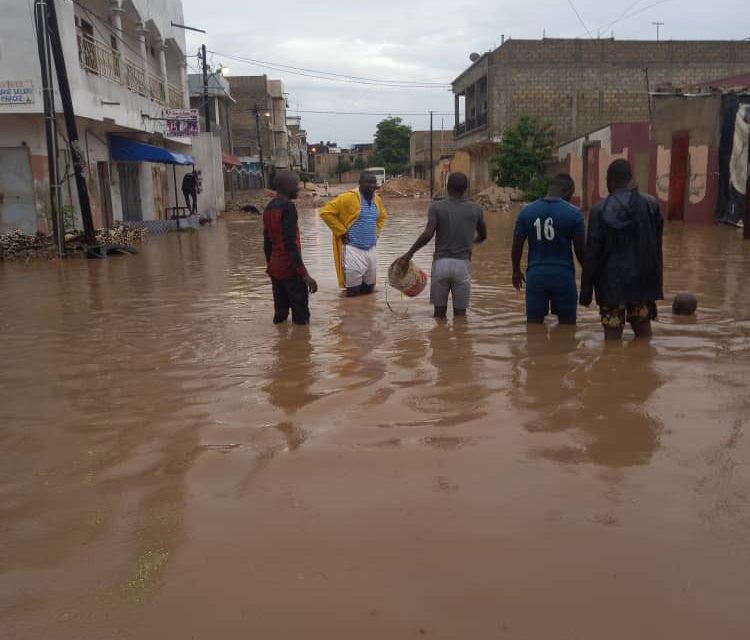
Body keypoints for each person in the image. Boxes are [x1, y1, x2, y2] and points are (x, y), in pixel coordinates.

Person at [580, 159, 664, 340]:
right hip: (642, 284)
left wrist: (585, 292)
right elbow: (656, 249)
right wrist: (655, 288)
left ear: (609, 181)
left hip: (610, 287)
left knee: (611, 340)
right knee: (643, 337)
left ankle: (611, 368)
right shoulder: (651, 205)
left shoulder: (598, 210)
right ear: (631, 179)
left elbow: (591, 255)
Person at [401, 172, 486, 318]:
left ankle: (439, 338)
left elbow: (428, 234)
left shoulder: (436, 207)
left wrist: (410, 253)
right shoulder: (476, 209)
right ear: (466, 188)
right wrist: (470, 242)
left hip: (441, 264)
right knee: (461, 316)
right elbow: (483, 235)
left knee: (439, 315)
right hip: (463, 265)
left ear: (447, 187)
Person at [512, 173, 585, 324]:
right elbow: (580, 252)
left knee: (533, 328)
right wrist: (589, 275)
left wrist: (516, 270)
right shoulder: (575, 214)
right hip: (563, 275)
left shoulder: (526, 211)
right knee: (567, 327)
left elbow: (517, 245)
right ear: (567, 191)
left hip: (535, 276)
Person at [263, 170, 318, 325]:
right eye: (296, 184)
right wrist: (305, 275)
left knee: (280, 315)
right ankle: (299, 347)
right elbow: (290, 244)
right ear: (286, 186)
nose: (298, 188)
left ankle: (281, 346)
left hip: (276, 270)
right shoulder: (288, 208)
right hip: (290, 270)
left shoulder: (269, 208)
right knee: (301, 319)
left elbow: (267, 243)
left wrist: (271, 266)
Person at [320, 171, 388, 297]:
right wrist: (341, 231)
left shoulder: (376, 199)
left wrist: (376, 233)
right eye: (368, 183)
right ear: (360, 183)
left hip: (371, 249)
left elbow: (382, 217)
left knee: (369, 289)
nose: (371, 186)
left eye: (374, 183)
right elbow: (325, 212)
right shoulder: (347, 197)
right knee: (353, 292)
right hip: (353, 249)